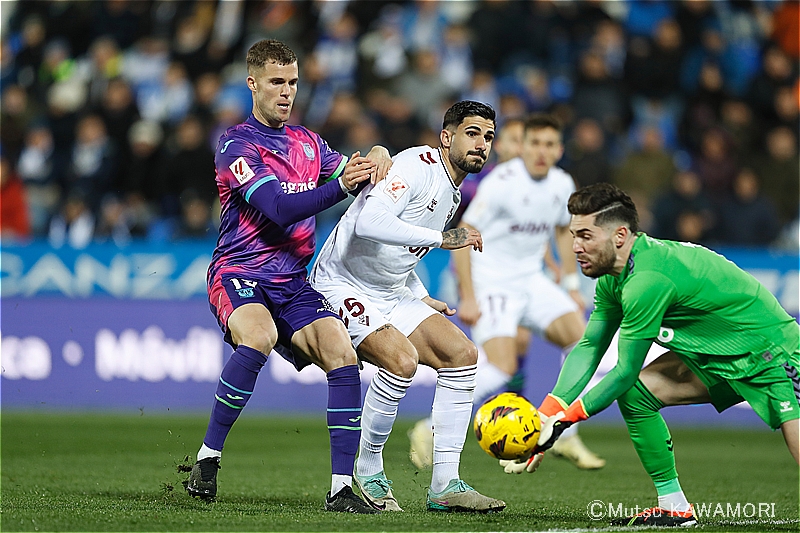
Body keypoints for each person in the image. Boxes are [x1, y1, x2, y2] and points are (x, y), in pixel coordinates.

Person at [501, 183, 800, 527]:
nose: (574, 247)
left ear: (620, 235)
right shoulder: (614, 276)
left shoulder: (646, 281)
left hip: (771, 350)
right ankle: (674, 507)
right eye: (572, 235)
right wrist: (546, 416)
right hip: (716, 354)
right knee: (637, 395)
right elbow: (590, 346)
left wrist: (565, 422)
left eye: (585, 236)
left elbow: (625, 370)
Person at [185, 39, 393, 514]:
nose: (287, 91)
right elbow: (278, 208)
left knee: (343, 355)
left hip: (293, 281)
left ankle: (341, 489)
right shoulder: (236, 144)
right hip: (240, 273)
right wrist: (339, 186)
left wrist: (380, 153)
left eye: (293, 82)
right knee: (257, 336)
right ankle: (208, 459)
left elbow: (361, 171)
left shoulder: (309, 143)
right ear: (252, 83)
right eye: (276, 82)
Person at [309, 100, 505, 513]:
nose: (482, 144)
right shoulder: (416, 164)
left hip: (392, 291)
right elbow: (368, 223)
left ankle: (446, 485)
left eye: (488, 137)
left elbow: (400, 248)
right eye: (472, 133)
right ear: (446, 137)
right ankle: (367, 466)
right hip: (341, 283)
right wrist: (445, 238)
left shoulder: (453, 192)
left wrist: (417, 293)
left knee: (463, 355)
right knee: (401, 360)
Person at [409, 113, 605, 471]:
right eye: (534, 143)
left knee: (582, 341)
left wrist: (570, 283)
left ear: (559, 150)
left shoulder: (562, 183)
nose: (541, 152)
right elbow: (466, 234)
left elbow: (563, 228)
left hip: (531, 279)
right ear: (523, 146)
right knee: (501, 367)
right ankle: (429, 428)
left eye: (549, 145)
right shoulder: (501, 182)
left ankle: (560, 429)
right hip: (494, 282)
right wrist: (468, 295)